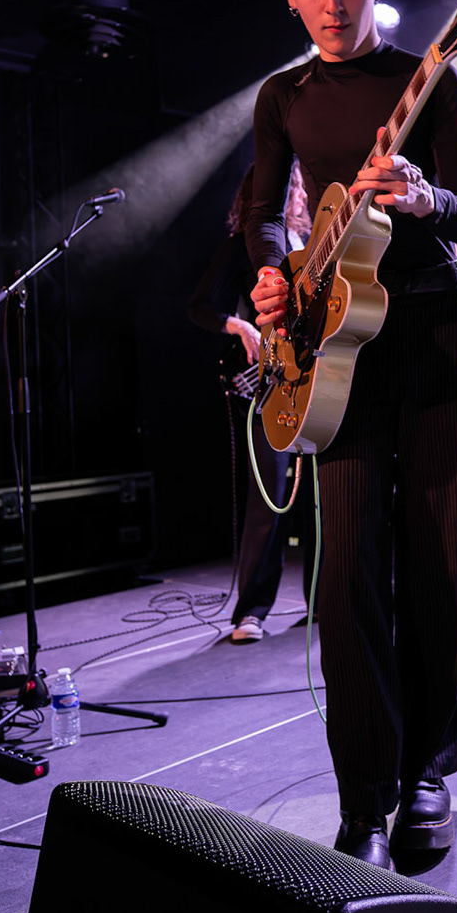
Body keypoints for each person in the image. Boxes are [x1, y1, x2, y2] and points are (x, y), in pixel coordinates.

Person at [246, 0, 457, 871]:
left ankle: (426, 771)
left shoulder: (432, 75)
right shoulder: (283, 96)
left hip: (431, 332)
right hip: (335, 348)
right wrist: (272, 277)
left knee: (439, 561)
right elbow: (264, 215)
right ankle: (364, 796)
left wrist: (425, 197)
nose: (333, 2)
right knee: (344, 574)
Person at [186, 162, 313, 644]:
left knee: (319, 496)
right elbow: (199, 306)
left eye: (299, 185)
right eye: (292, 185)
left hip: (315, 383)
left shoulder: (311, 242)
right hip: (270, 386)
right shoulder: (242, 245)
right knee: (271, 496)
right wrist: (239, 326)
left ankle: (323, 599)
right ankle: (251, 612)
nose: (299, 194)